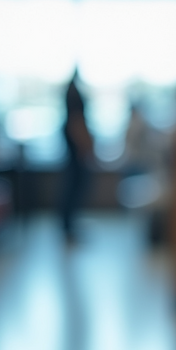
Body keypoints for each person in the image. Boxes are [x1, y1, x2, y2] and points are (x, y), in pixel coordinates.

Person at [60, 72, 94, 242]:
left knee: (72, 186)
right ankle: (68, 227)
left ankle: (69, 226)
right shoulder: (73, 93)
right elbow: (76, 121)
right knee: (74, 187)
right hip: (76, 147)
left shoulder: (71, 91)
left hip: (73, 146)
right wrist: (85, 147)